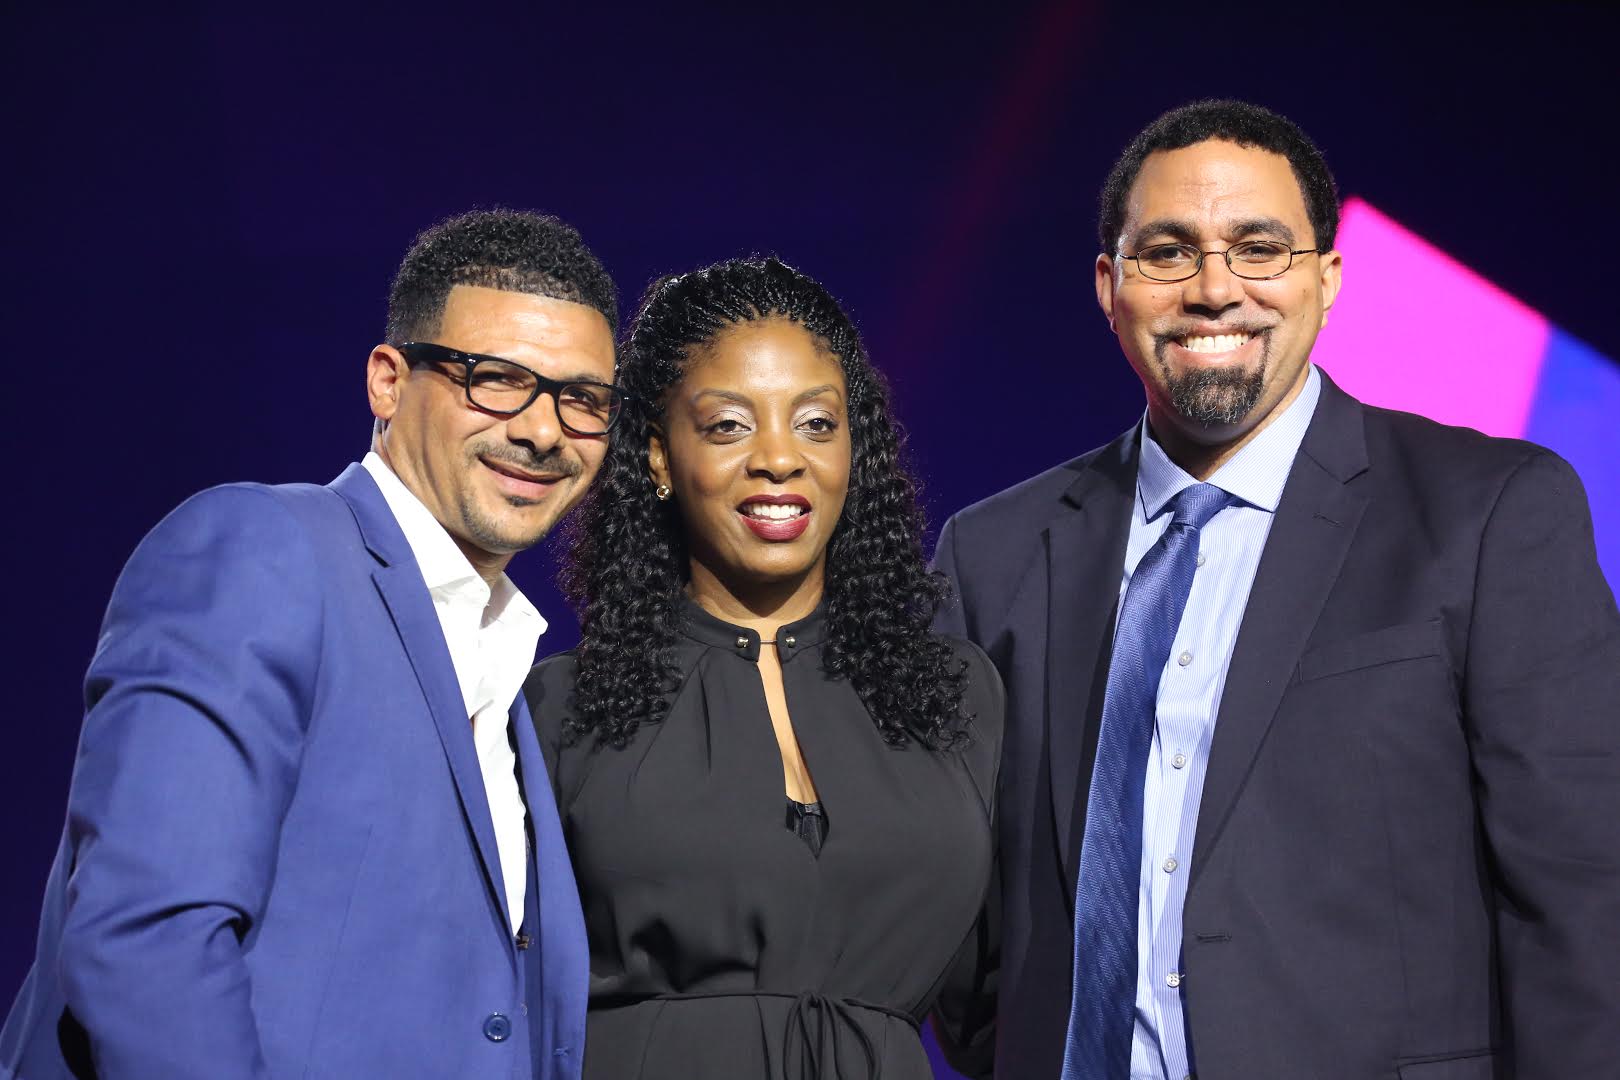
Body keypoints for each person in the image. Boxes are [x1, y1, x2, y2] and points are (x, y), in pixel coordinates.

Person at [933, 99, 1620, 1079]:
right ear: (1109, 284)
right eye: (1168, 252)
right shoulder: (991, 555)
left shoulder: (1489, 514)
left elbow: (1586, 899)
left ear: (1328, 280)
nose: (1215, 289)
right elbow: (957, 912)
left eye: (1259, 248)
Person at [0, 209, 621, 1080]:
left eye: (582, 400)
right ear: (387, 382)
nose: (543, 429)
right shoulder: (263, 550)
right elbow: (148, 938)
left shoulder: (508, 677)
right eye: (495, 379)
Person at [524, 257, 1001, 1079]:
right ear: (659, 459)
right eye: (728, 426)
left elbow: (999, 1007)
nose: (780, 458)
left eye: (816, 422)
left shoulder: (953, 695)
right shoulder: (558, 709)